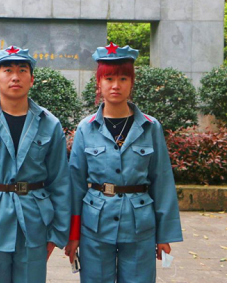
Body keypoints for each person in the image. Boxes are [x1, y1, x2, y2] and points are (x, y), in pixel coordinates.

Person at [65, 43, 183, 282]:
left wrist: (164, 235)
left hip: (139, 224)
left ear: (132, 82)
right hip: (95, 224)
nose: (115, 85)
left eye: (123, 78)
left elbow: (162, 181)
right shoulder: (86, 128)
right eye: (108, 78)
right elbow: (75, 185)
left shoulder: (150, 127)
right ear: (99, 83)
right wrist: (73, 234)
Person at [0, 46, 70, 283]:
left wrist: (57, 233)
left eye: (22, 70)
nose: (15, 77)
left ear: (32, 79)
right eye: (8, 70)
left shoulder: (50, 124)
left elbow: (60, 181)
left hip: (34, 223)